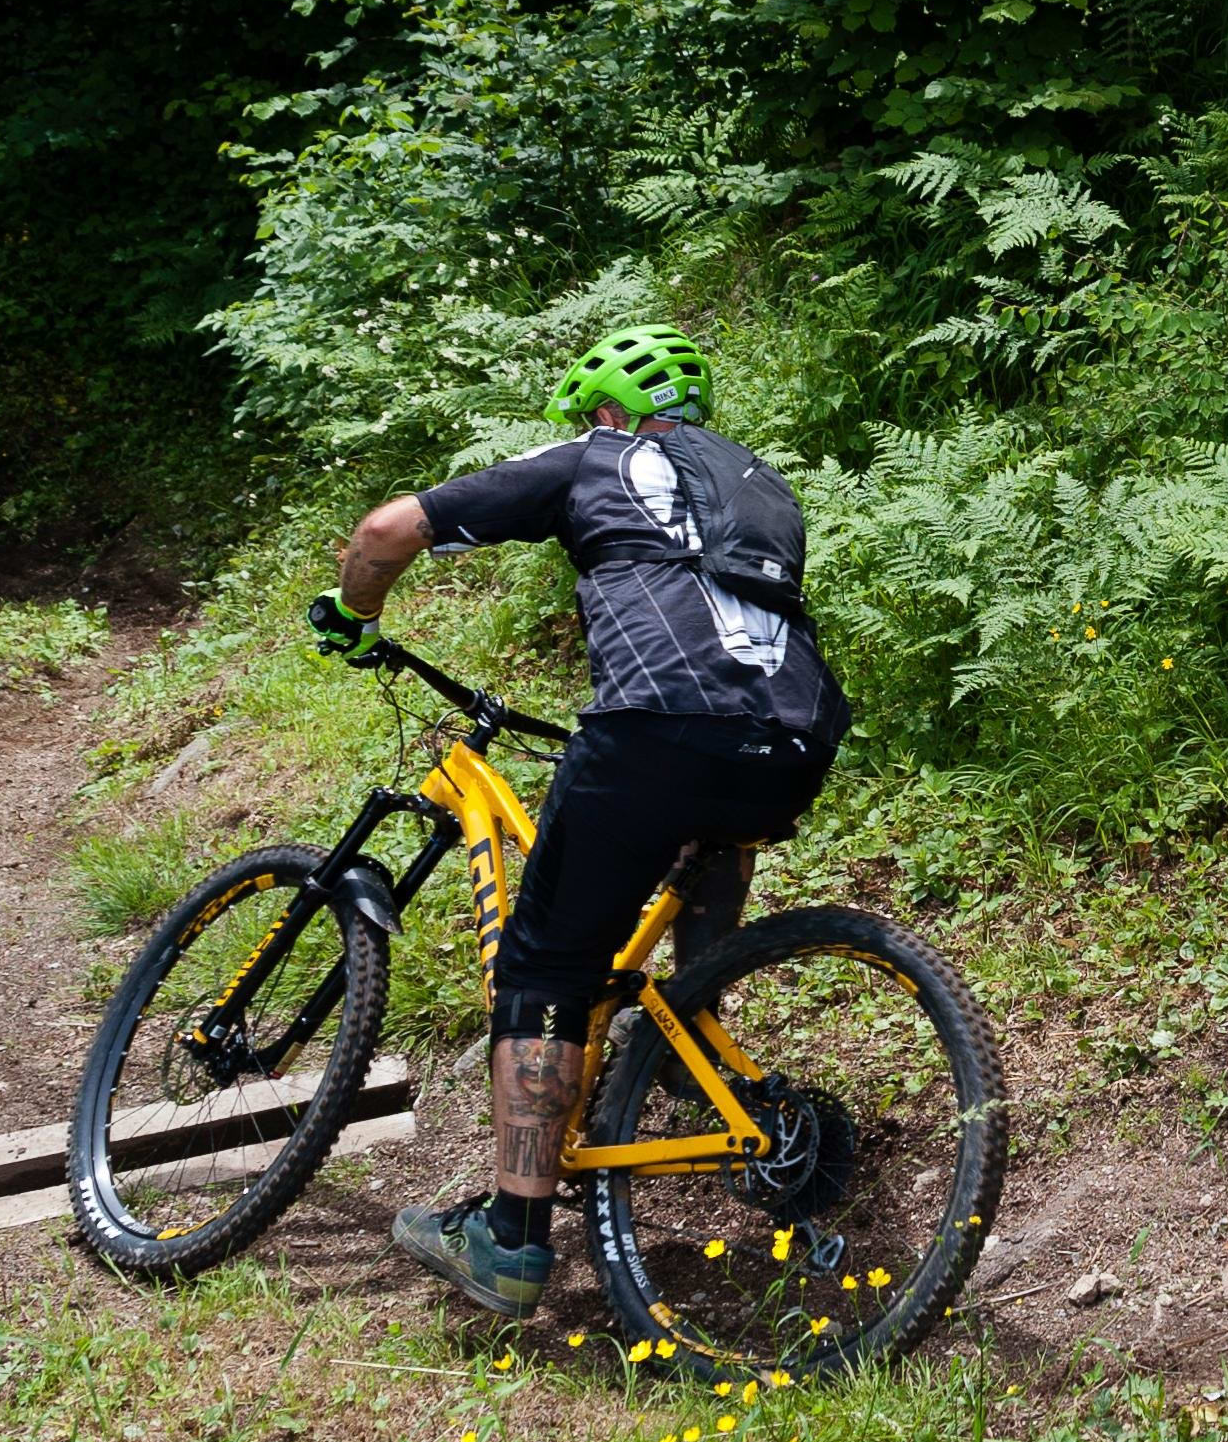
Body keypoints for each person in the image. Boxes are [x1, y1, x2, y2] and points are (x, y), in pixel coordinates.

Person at [305, 322, 849, 1316]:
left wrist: (353, 616)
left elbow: (387, 532)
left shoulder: (597, 456)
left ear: (608, 410)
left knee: (541, 971)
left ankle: (512, 1239)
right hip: (796, 739)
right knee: (705, 828)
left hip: (655, 730)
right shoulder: (758, 482)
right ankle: (695, 1022)